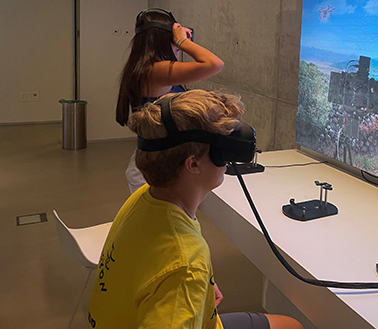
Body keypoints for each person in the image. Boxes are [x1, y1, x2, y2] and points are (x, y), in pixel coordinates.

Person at [89, 89, 303, 329]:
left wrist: (198, 287)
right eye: (220, 150)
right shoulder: (185, 262)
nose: (227, 159)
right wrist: (187, 283)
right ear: (192, 164)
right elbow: (178, 267)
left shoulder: (146, 197)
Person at [116, 8, 224, 194]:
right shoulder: (155, 70)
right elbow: (214, 64)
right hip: (155, 166)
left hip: (153, 158)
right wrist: (182, 41)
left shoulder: (143, 67)